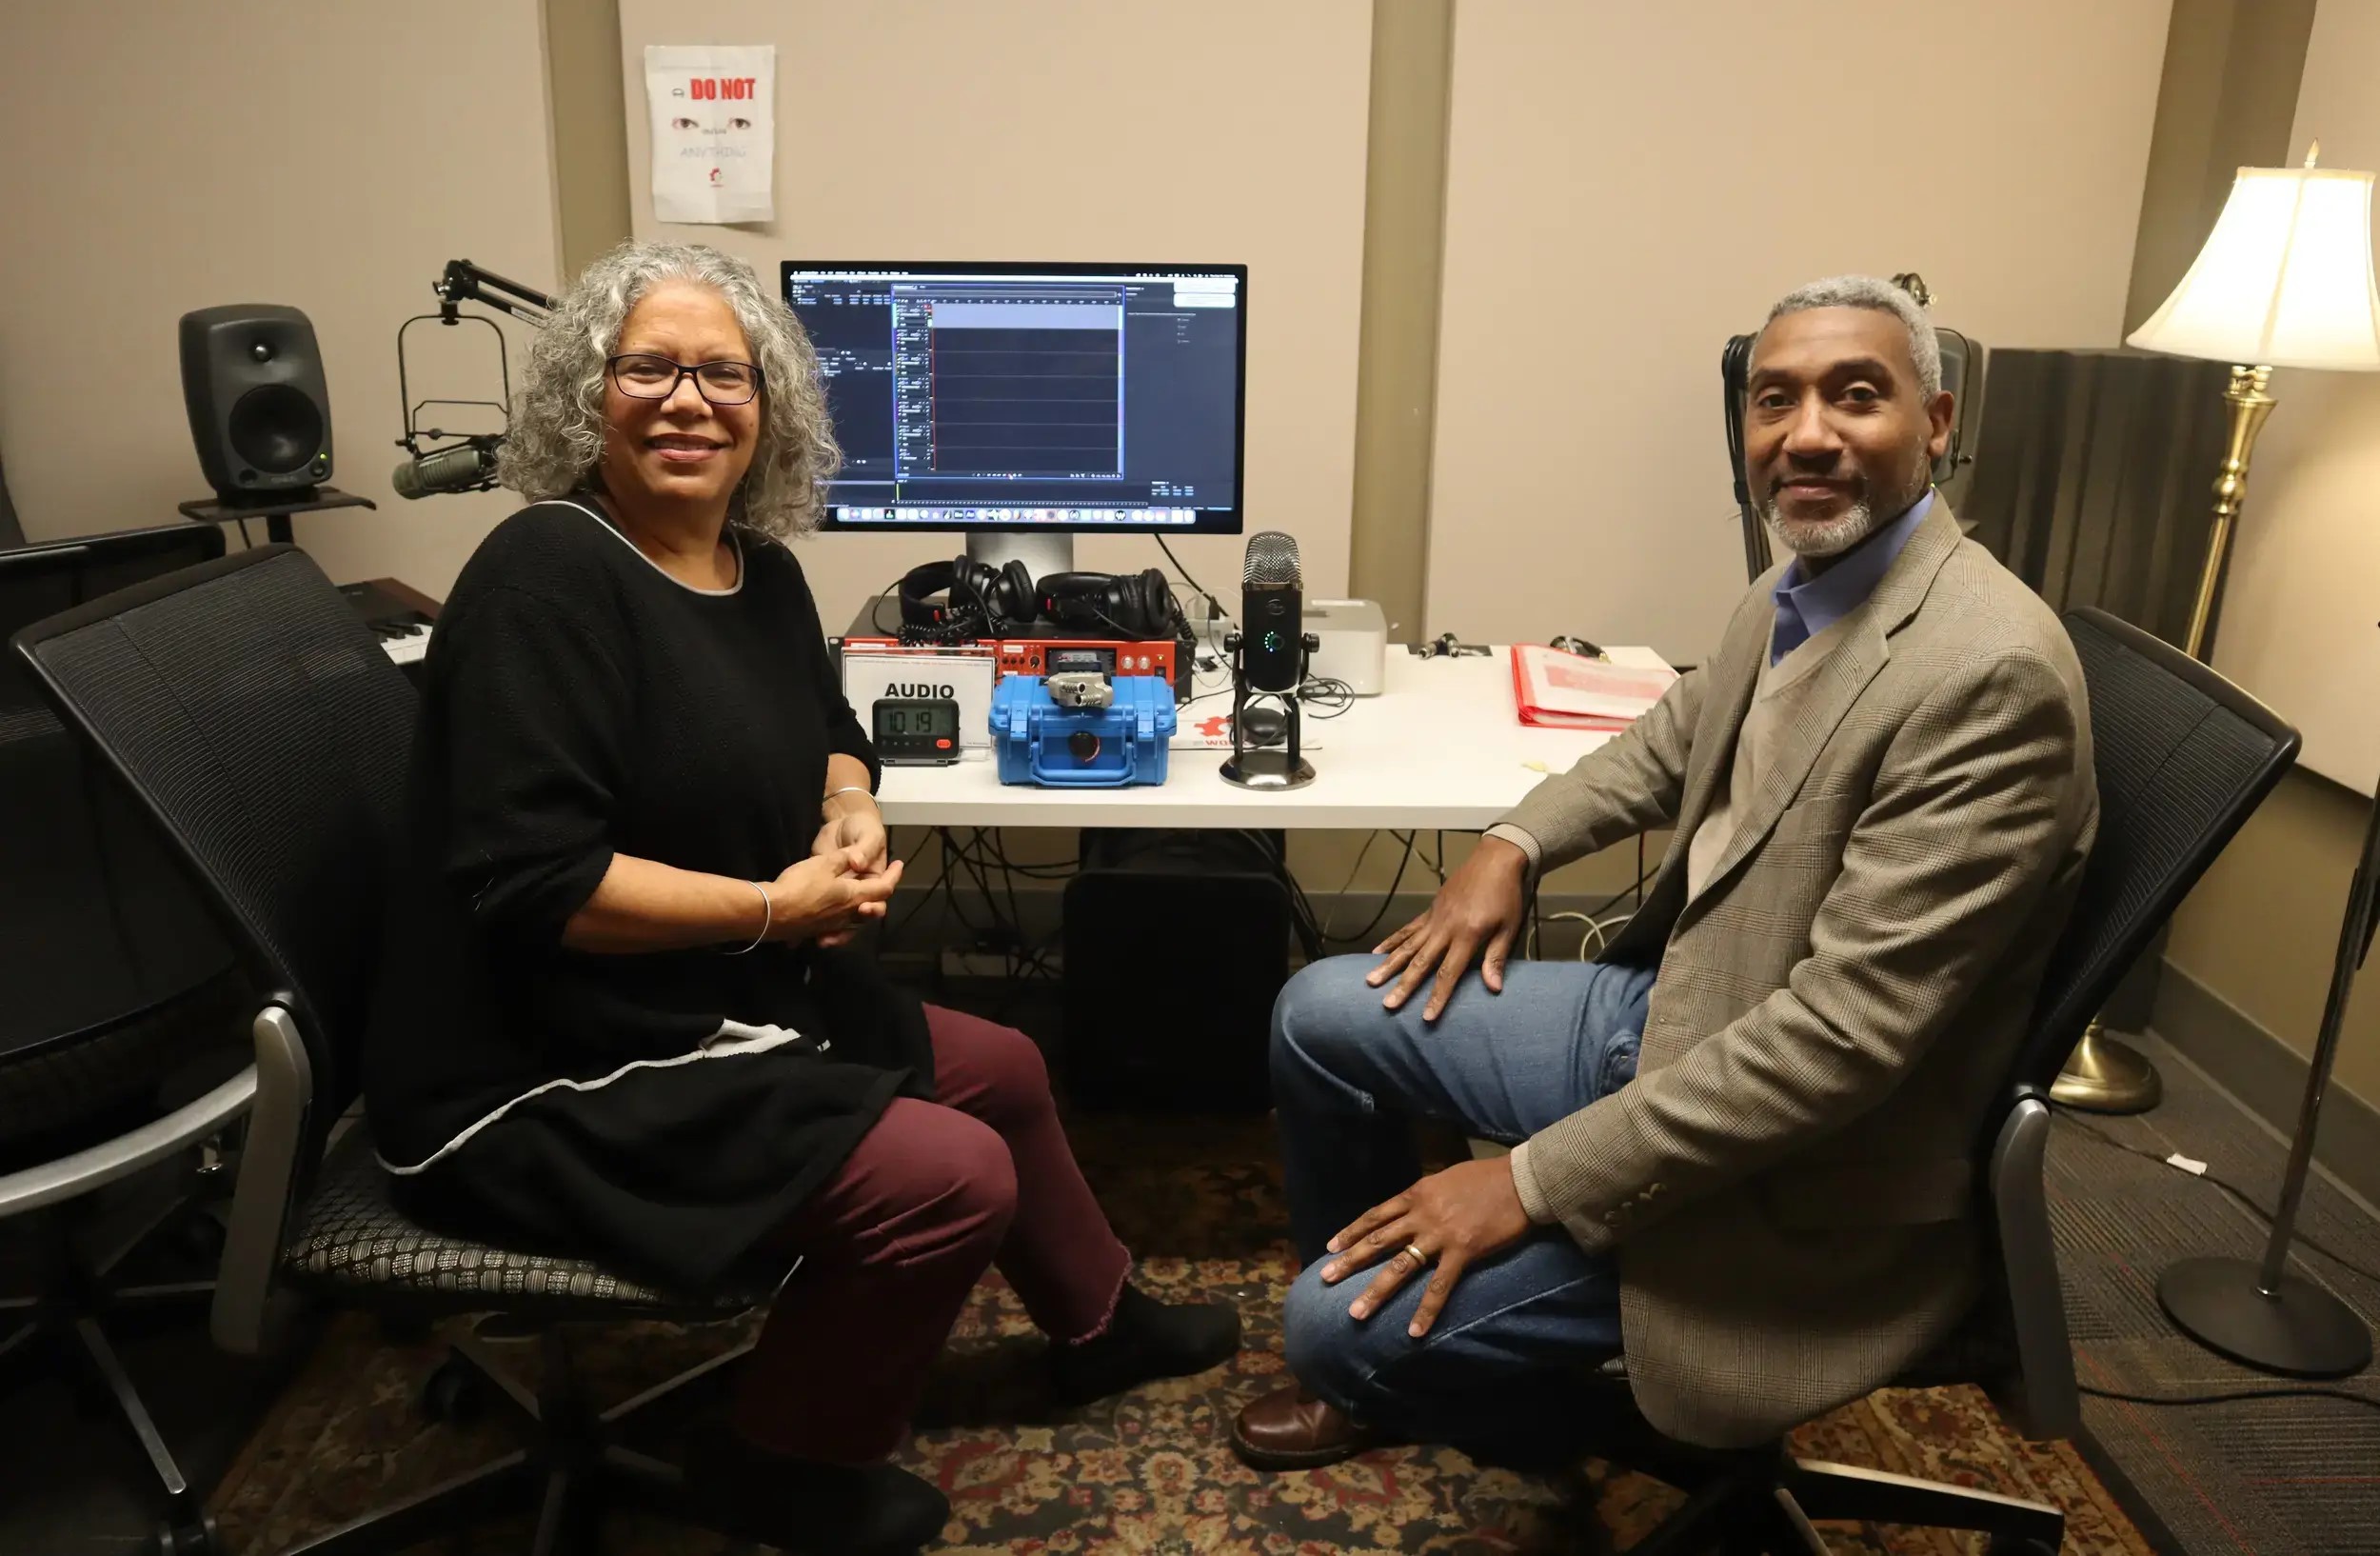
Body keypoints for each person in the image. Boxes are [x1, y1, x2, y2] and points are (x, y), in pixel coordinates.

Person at [365, 241, 1240, 1553]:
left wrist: (851, 803)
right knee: (950, 1176)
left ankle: (1098, 1321)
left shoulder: (754, 568)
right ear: (582, 398)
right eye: (647, 368)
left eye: (721, 372)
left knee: (998, 1061)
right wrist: (775, 911)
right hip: (534, 1069)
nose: (686, 401)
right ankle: (776, 1456)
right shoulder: (547, 579)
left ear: (766, 405)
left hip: (689, 1000)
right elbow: (536, 879)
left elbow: (833, 720)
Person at [1231, 275, 2098, 1471]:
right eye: (1773, 400)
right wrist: (1512, 844)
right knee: (1318, 1013)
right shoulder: (1802, 585)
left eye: (1856, 396)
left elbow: (1836, 1044)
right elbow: (1665, 744)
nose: (1806, 433)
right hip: (1685, 1014)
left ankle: (1402, 1362)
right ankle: (1397, 1297)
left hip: (1804, 1171)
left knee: (1324, 1332)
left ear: (1936, 424)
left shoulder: (1983, 673)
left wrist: (1524, 1183)